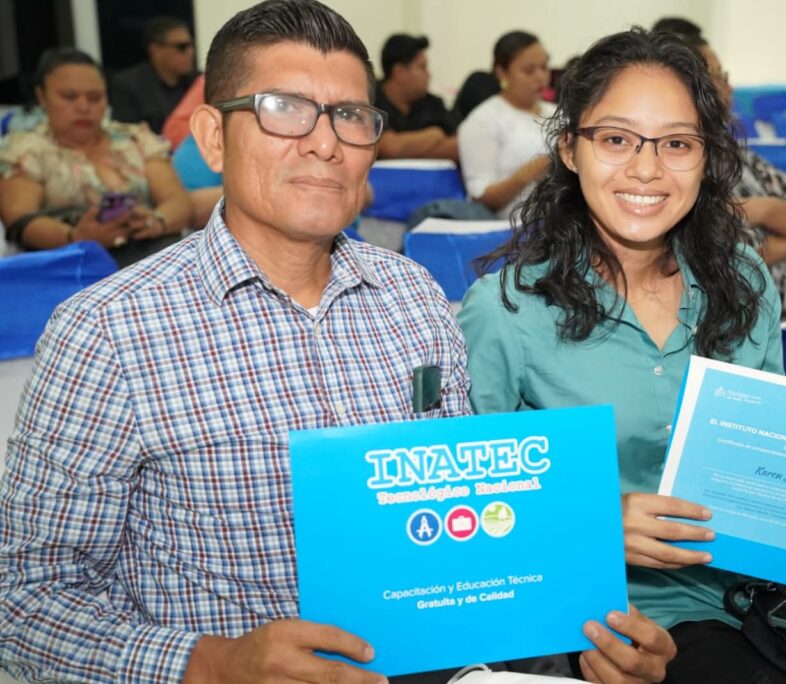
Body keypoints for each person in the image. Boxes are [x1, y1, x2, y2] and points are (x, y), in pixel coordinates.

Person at [0, 2, 674, 683]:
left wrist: (581, 616)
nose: (326, 144)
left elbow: (464, 518)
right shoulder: (110, 331)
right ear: (212, 136)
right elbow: (22, 599)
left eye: (350, 116)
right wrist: (213, 663)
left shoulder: (413, 297)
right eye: (284, 109)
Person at [459, 28, 786, 683]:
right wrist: (593, 522)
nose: (647, 169)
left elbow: (778, 473)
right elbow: (465, 518)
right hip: (623, 622)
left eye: (677, 143)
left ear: (707, 156)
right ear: (569, 149)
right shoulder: (506, 309)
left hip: (765, 603)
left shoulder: (742, 278)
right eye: (616, 140)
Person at [657, 27, 786, 317]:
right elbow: (709, 261)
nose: (729, 87)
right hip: (727, 319)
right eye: (719, 77)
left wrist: (767, 211)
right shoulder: (668, 169)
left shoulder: (742, 158)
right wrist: (774, 245)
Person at [0, 47, 190, 261]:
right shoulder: (24, 150)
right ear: (42, 96)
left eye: (95, 97)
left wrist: (155, 221)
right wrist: (76, 237)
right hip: (69, 263)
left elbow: (177, 201)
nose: (83, 107)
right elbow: (19, 220)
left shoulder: (136, 139)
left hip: (146, 254)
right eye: (69, 97)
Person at [457, 31, 554, 219]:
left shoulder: (557, 113)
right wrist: (530, 171)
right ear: (502, 73)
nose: (540, 77)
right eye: (529, 70)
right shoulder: (483, 120)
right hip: (511, 225)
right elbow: (482, 197)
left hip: (562, 223)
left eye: (544, 67)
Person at [375, 34, 458, 160]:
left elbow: (457, 147)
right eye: (422, 67)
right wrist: (435, 134)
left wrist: (407, 149)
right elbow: (388, 147)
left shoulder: (433, 104)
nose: (429, 74)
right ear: (399, 72)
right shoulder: (370, 100)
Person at [109, 16, 198, 133]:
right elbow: (125, 134)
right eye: (181, 47)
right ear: (155, 50)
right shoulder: (129, 85)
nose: (190, 52)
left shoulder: (198, 81)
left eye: (191, 45)